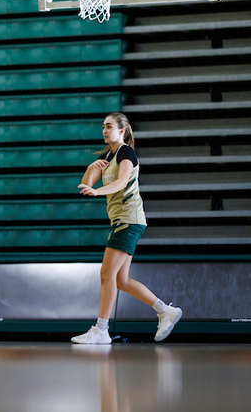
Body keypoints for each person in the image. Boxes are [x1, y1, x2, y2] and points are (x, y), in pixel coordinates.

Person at [71, 112, 182, 344]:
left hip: (128, 220)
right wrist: (93, 167)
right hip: (125, 221)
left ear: (122, 131)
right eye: (103, 126)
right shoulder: (108, 156)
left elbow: (121, 183)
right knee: (120, 279)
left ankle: (101, 330)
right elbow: (85, 184)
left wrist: (99, 191)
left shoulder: (125, 153)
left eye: (109, 126)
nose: (104, 130)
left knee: (106, 274)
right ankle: (165, 311)